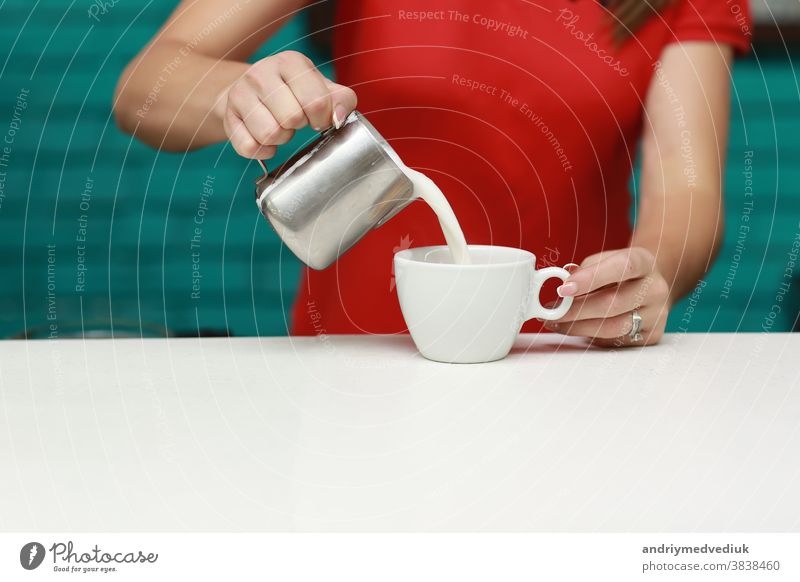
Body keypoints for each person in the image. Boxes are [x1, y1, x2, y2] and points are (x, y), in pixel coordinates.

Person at [114, 0, 751, 346]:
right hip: (351, 366)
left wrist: (652, 269)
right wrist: (235, 93)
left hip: (563, 370)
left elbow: (687, 183)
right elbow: (147, 86)